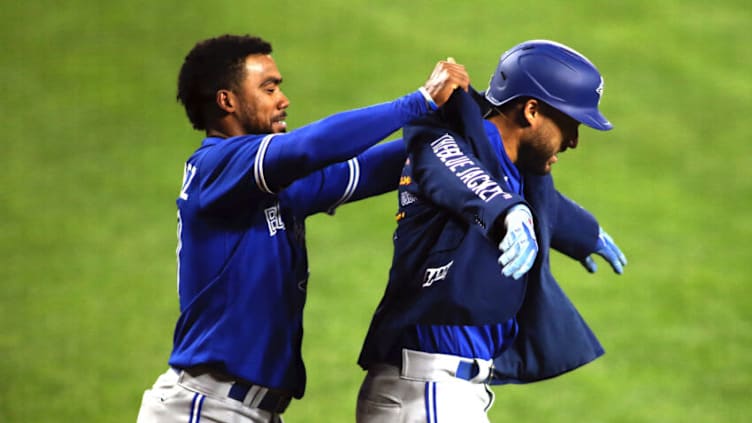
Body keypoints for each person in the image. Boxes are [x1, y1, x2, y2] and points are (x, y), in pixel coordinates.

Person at [136, 34, 470, 423]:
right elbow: (308, 147)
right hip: (205, 410)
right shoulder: (214, 167)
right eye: (269, 87)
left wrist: (474, 134)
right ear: (226, 100)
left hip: (246, 412)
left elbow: (367, 169)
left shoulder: (277, 186)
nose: (283, 99)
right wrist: (420, 102)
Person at [356, 40, 628, 422]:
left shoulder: (513, 167)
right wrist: (506, 213)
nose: (573, 142)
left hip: (446, 393)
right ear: (531, 110)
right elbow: (459, 176)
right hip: (426, 391)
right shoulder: (447, 141)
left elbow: (542, 202)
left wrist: (586, 233)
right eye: (570, 124)